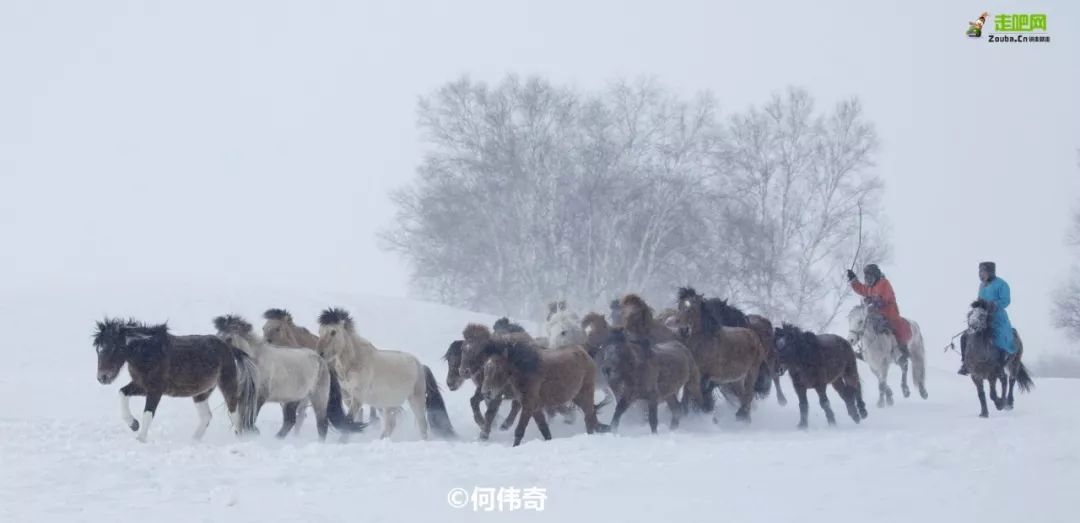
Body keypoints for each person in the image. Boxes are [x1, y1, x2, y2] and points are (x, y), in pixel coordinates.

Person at [958, 261, 1016, 375]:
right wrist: (976, 308)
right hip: (982, 317)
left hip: (997, 317)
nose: (981, 274)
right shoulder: (982, 285)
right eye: (979, 272)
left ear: (991, 272)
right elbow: (979, 299)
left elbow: (1006, 300)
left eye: (983, 272)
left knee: (1000, 337)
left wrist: (994, 305)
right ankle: (965, 363)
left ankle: (1001, 363)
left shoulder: (1002, 284)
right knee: (965, 336)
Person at [847, 264, 912, 364]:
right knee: (865, 325)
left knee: (887, 328)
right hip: (875, 313)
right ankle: (865, 350)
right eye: (866, 277)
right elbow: (861, 289)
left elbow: (885, 297)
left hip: (889, 313)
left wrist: (875, 303)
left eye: (869, 277)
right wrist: (853, 280)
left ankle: (898, 351)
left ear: (875, 275)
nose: (867, 280)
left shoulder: (884, 283)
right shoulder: (870, 286)